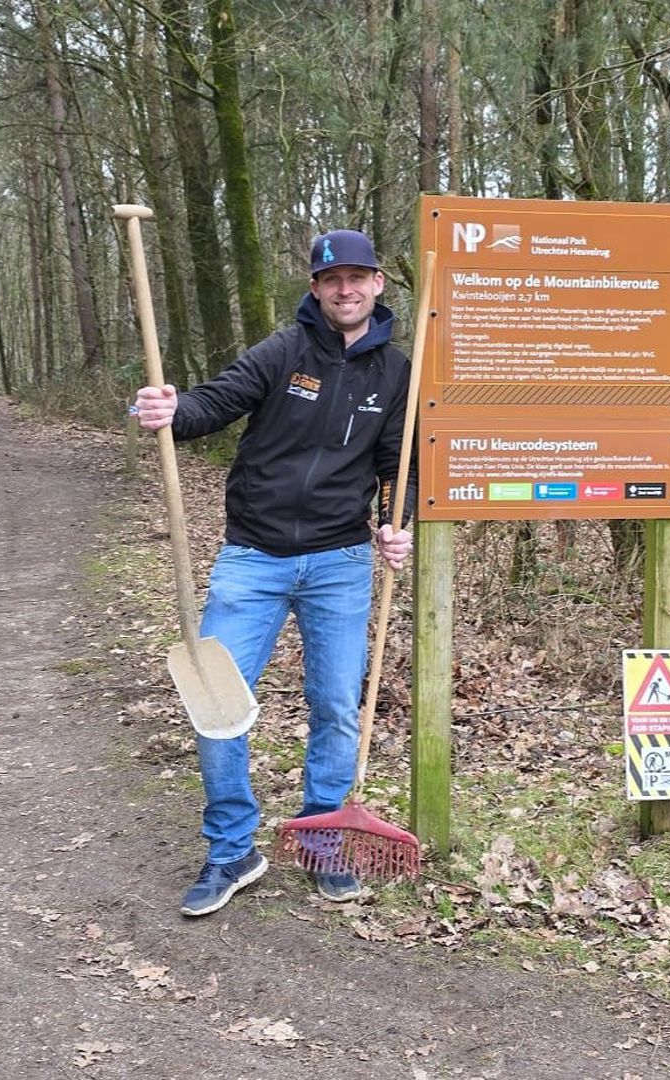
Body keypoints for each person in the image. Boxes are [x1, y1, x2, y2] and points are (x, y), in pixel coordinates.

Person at [132, 228, 415, 917]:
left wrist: (394, 521)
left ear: (377, 284)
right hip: (253, 557)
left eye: (356, 277)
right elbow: (214, 403)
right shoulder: (283, 351)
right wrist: (170, 410)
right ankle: (233, 848)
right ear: (315, 288)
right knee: (215, 703)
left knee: (335, 706)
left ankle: (322, 840)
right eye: (331, 280)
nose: (344, 290)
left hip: (340, 562)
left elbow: (396, 467)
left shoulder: (396, 371)